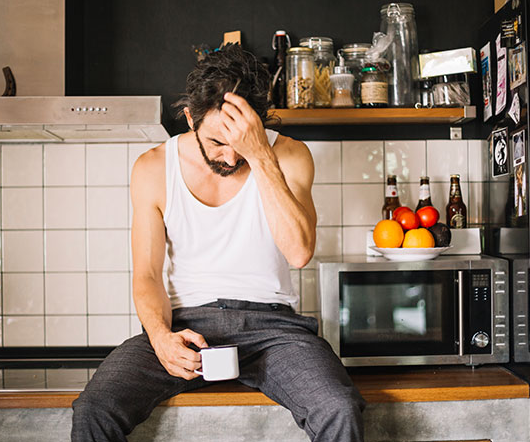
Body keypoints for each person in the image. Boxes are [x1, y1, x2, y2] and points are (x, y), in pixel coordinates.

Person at [71, 44, 366, 441]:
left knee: (339, 407)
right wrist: (160, 338)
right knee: (94, 409)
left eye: (241, 141)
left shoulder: (290, 155)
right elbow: (146, 274)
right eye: (216, 141)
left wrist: (261, 155)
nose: (229, 156)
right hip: (186, 328)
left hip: (275, 331)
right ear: (190, 118)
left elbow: (298, 252)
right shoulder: (153, 167)